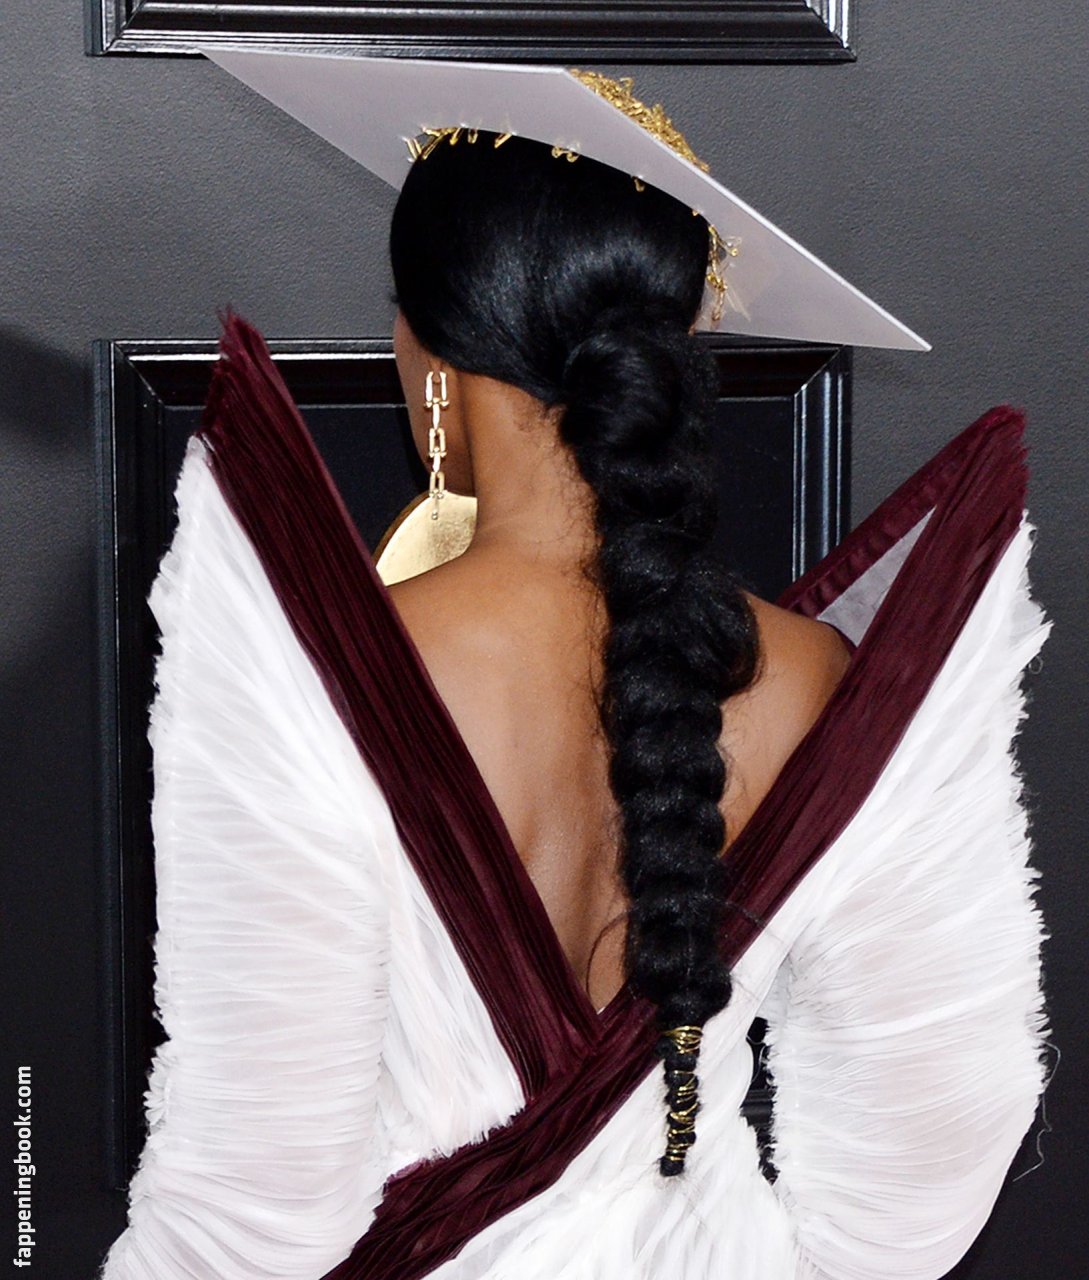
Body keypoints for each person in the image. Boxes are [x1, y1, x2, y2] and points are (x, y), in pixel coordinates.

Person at [99, 67, 1050, 1280]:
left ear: (431, 368)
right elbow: (933, 1136)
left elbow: (257, 1195)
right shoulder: (816, 676)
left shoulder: (316, 674)